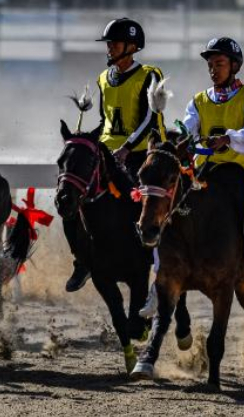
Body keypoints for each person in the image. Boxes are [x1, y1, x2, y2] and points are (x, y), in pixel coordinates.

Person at [63, 17, 166, 293]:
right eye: (108, 43)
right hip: (108, 153)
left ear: (131, 46)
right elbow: (105, 121)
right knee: (69, 192)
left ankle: (153, 261)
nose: (109, 48)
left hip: (140, 155)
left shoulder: (149, 75)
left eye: (114, 43)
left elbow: (150, 119)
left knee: (140, 206)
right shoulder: (102, 79)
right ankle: (82, 259)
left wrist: (127, 148)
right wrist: (84, 140)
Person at [181, 37, 244, 319]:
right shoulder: (198, 100)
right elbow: (187, 128)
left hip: (241, 171)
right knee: (172, 212)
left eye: (219, 63)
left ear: (234, 65)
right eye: (210, 64)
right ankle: (160, 279)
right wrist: (182, 139)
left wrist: (230, 139)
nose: (213, 69)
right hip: (206, 172)